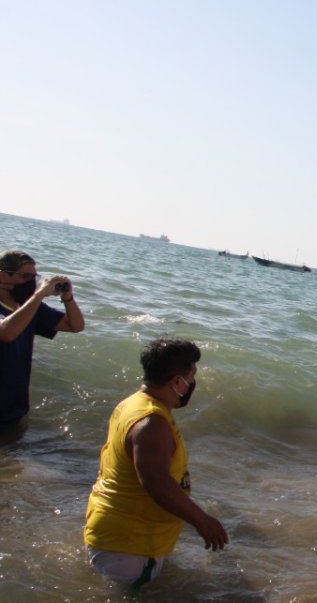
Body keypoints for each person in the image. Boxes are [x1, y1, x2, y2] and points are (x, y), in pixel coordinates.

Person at [84, 337, 229, 586]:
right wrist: (202, 521)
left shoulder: (132, 404)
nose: (193, 384)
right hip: (130, 548)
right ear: (177, 382)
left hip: (117, 537)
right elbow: (156, 482)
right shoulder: (151, 423)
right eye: (192, 377)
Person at [0, 249, 85, 436]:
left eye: (34, 277)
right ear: (3, 275)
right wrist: (38, 295)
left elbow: (76, 326)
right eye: (25, 276)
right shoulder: (31, 304)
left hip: (15, 406)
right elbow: (7, 332)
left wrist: (68, 297)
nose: (30, 282)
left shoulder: (30, 307)